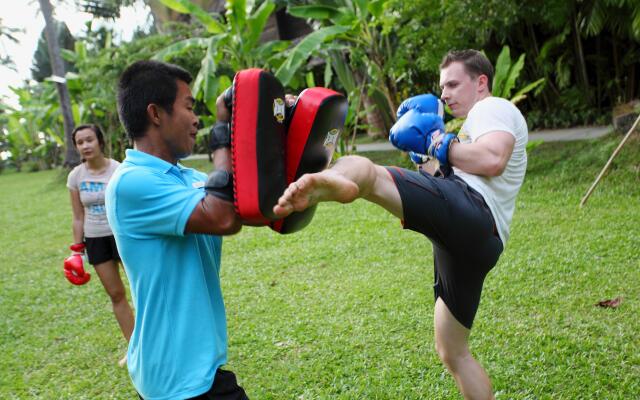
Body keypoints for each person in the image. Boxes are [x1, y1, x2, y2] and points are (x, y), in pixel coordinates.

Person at [273, 49, 528, 400]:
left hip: (472, 211)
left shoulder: (492, 107)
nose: (444, 94)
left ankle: (336, 179)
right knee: (453, 350)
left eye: (453, 84)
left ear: (481, 82)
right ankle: (343, 179)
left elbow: (493, 159)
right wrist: (427, 160)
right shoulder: (471, 129)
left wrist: (436, 143)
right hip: (478, 241)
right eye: (442, 87)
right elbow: (443, 179)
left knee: (369, 173)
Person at [105, 60, 248, 400]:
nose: (197, 118)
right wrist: (222, 132)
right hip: (174, 378)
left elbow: (252, 207)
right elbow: (223, 217)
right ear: (156, 114)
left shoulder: (190, 179)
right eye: (188, 106)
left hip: (197, 369)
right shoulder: (131, 183)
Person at [66, 124, 134, 367]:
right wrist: (77, 252)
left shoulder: (118, 169)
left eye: (89, 140)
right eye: (80, 142)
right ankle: (134, 348)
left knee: (141, 291)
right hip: (95, 239)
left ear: (100, 142)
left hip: (121, 235)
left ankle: (156, 343)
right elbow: (77, 216)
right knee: (116, 295)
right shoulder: (76, 177)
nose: (85, 146)